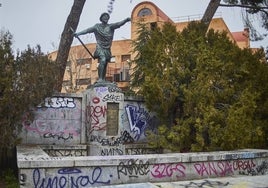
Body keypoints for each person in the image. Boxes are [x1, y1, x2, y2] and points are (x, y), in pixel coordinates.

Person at [75, 13, 131, 83]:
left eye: (107, 17)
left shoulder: (110, 26)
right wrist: (78, 33)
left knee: (105, 64)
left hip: (107, 48)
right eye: (104, 17)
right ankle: (100, 79)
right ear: (101, 18)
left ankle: (103, 79)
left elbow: (118, 24)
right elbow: (87, 30)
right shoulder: (97, 27)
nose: (106, 18)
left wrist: (126, 20)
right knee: (103, 60)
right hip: (100, 47)